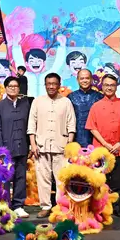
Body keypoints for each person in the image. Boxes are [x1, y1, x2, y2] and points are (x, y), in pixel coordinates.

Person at [27, 73, 76, 218]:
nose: (51, 86)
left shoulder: (66, 102)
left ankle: (61, 207)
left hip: (60, 146)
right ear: (45, 84)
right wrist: (33, 145)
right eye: (48, 83)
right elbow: (31, 124)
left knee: (61, 179)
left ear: (59, 84)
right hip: (41, 147)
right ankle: (45, 206)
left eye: (54, 83)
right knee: (43, 178)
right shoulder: (37, 101)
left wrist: (69, 144)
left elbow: (71, 124)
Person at [86, 74, 120, 218]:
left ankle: (116, 208)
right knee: (101, 182)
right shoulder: (96, 106)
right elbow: (92, 127)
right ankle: (100, 210)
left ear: (116, 87)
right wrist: (105, 144)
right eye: (106, 85)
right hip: (100, 150)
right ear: (102, 87)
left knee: (116, 181)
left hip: (119, 149)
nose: (109, 88)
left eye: (112, 85)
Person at [0, 76, 31, 219]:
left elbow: (29, 126)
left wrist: (30, 146)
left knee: (21, 176)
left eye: (16, 86)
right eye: (10, 86)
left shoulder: (25, 104)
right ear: (6, 88)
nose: (13, 88)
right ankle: (5, 205)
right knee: (5, 178)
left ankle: (18, 205)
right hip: (6, 148)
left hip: (22, 146)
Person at [68, 69, 103, 146]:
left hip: (95, 137)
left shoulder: (99, 97)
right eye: (82, 78)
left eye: (87, 78)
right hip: (75, 137)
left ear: (91, 80)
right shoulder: (70, 97)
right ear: (77, 80)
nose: (84, 81)